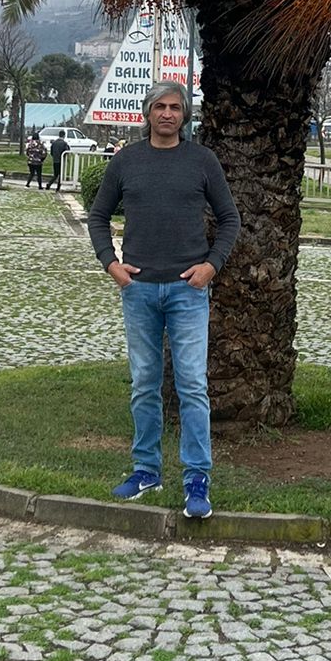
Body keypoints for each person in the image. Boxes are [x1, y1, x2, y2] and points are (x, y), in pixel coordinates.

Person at [86, 80, 241, 521]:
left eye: (175, 107)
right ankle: (146, 469)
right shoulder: (127, 162)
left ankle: (196, 478)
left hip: (187, 291)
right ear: (147, 112)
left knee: (192, 385)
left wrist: (212, 265)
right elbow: (98, 217)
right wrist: (110, 263)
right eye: (160, 106)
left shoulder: (202, 161)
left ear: (184, 115)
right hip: (138, 291)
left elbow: (230, 219)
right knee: (144, 383)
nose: (168, 114)